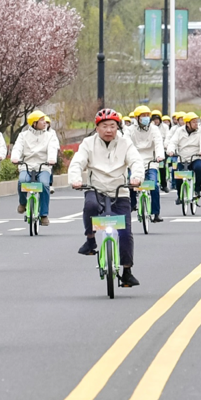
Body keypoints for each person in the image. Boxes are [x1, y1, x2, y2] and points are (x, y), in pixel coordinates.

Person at [69, 109, 144, 287]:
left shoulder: (126, 143)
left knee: (125, 233)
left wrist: (137, 177)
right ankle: (90, 239)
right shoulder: (88, 143)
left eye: (112, 126)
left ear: (118, 127)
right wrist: (76, 179)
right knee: (90, 206)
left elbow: (136, 161)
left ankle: (127, 271)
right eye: (104, 126)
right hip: (96, 188)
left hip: (121, 190)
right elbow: (78, 162)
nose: (109, 130)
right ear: (97, 128)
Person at [12, 110, 60, 224]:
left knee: (44, 184)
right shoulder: (23, 136)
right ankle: (22, 203)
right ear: (34, 123)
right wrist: (15, 157)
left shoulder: (50, 136)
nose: (45, 122)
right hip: (26, 166)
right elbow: (17, 147)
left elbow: (52, 148)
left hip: (43, 167)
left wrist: (52, 159)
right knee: (22, 181)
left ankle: (44, 215)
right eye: (41, 120)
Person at [127, 105, 165, 222]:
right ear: (137, 118)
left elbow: (158, 143)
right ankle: (132, 204)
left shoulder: (154, 129)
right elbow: (126, 144)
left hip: (150, 162)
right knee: (130, 183)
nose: (146, 118)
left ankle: (156, 213)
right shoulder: (129, 130)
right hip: (134, 162)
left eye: (148, 116)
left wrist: (159, 155)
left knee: (154, 185)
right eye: (143, 116)